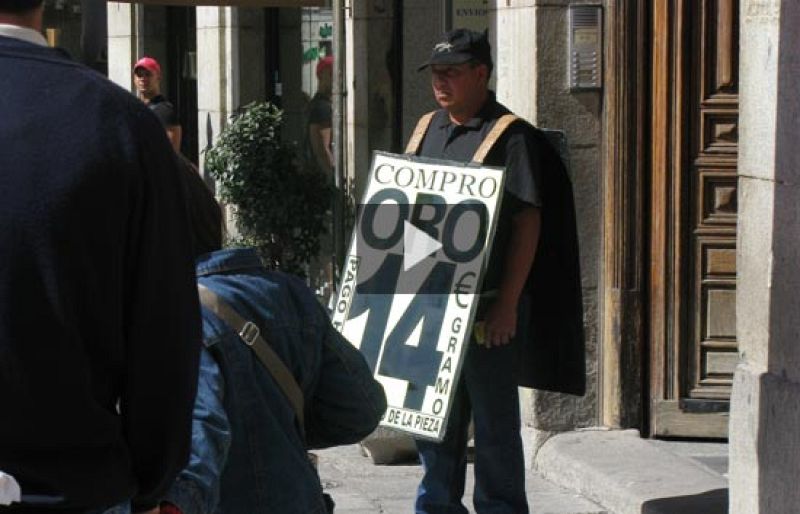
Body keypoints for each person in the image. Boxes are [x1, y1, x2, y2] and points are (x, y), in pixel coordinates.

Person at [0, 1, 201, 514]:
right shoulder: (123, 126)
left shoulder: (129, 126)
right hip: (76, 483)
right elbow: (164, 336)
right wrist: (152, 483)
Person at [407, 28, 585, 513]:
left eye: (452, 72)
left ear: (481, 74)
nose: (440, 83)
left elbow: (528, 222)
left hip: (488, 310)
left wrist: (508, 303)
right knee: (433, 418)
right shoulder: (427, 129)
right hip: (432, 305)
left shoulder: (511, 137)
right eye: (436, 73)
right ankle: (437, 506)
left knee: (493, 423)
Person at [158, 169, 387, 514]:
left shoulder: (175, 314)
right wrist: (276, 431)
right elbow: (360, 409)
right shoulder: (287, 292)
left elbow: (198, 433)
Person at [133, 56, 183, 153]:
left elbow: (171, 153)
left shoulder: (165, 111)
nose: (143, 79)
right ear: (134, 79)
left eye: (148, 74)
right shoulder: (134, 107)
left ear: (158, 77)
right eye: (139, 75)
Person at [306, 55, 334, 177]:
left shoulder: (315, 104)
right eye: (331, 74)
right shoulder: (323, 107)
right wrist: (332, 175)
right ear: (321, 75)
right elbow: (323, 149)